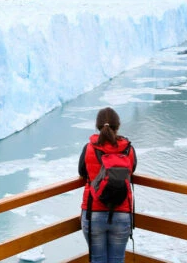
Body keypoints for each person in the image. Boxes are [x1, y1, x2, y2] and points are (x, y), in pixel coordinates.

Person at [78, 107, 137, 263]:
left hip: (93, 211)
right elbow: (132, 170)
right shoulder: (128, 149)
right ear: (118, 126)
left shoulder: (89, 148)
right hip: (122, 212)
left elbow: (83, 172)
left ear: (98, 126)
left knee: (97, 260)